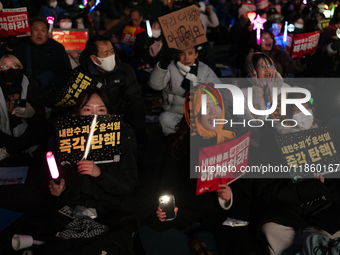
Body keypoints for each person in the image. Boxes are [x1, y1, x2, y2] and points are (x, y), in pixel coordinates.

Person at [140, 83, 261, 255]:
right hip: (185, 212)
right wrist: (165, 208)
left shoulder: (234, 141)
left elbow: (245, 193)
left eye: (216, 105)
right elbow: (167, 187)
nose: (213, 112)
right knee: (150, 232)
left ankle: (201, 241)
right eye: (205, 107)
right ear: (195, 113)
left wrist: (227, 198)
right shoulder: (179, 145)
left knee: (238, 241)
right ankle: (197, 242)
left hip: (219, 216)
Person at [23, 87, 139, 254]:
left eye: (101, 109)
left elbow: (129, 186)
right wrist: (53, 189)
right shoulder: (60, 137)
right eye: (87, 109)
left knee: (112, 242)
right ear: (76, 113)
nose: (94, 114)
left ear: (108, 113)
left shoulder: (120, 139)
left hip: (107, 211)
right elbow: (43, 181)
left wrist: (100, 174)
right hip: (67, 210)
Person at [76, 35, 147, 147]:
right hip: (89, 126)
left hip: (119, 122)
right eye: (106, 53)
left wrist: (137, 130)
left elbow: (135, 99)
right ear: (94, 58)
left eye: (112, 51)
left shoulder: (124, 70)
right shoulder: (80, 75)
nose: (110, 56)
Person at [148, 46, 220, 135]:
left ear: (196, 55)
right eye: (182, 54)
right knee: (164, 119)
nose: (186, 58)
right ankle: (188, 135)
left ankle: (190, 134)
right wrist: (163, 64)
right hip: (175, 113)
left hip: (199, 115)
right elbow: (155, 85)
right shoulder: (170, 67)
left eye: (190, 53)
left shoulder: (204, 70)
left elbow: (219, 91)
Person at [0, 17, 72, 98]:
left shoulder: (57, 48)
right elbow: (4, 60)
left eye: (43, 30)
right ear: (29, 31)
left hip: (50, 94)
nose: (39, 33)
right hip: (23, 92)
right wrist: (8, 48)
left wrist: (53, 86)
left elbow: (66, 71)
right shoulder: (20, 45)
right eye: (36, 30)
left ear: (47, 32)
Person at [0, 54, 49, 161]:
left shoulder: (31, 84)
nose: (10, 69)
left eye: (14, 66)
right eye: (4, 67)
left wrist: (32, 114)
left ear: (20, 68)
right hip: (4, 134)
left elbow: (41, 118)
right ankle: (17, 148)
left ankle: (10, 149)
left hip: (27, 132)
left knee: (45, 128)